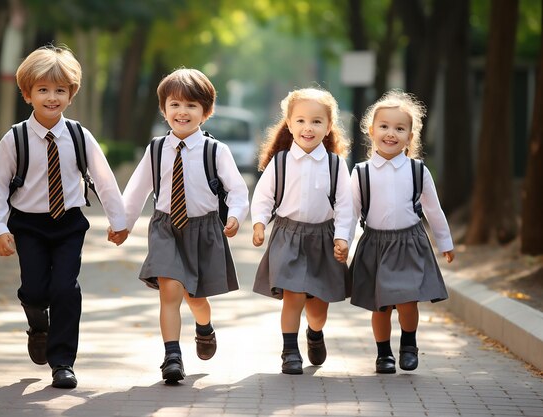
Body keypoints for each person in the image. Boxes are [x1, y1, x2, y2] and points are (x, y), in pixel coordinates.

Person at [0, 45, 129, 389]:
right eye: (43, 90)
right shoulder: (15, 138)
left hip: (68, 224)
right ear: (28, 94)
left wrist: (119, 221)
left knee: (65, 288)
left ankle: (62, 362)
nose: (52, 97)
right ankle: (37, 322)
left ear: (71, 94)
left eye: (60, 90)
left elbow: (105, 181)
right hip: (28, 224)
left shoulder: (80, 135)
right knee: (35, 290)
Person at [108, 68, 249, 384]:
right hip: (166, 228)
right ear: (164, 109)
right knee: (170, 290)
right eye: (175, 105)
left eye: (191, 106)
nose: (182, 112)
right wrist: (122, 224)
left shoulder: (216, 151)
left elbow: (238, 190)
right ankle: (172, 356)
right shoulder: (157, 149)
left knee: (195, 297)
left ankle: (204, 327)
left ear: (205, 112)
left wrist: (236, 216)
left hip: (204, 230)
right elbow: (137, 189)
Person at [349, 89, 455, 374]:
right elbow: (350, 212)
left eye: (399, 128)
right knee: (380, 306)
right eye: (384, 126)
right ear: (371, 131)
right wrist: (342, 242)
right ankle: (383, 354)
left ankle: (408, 344)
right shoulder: (361, 172)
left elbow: (434, 210)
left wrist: (445, 241)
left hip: (409, 242)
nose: (391, 133)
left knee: (407, 300)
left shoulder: (418, 171)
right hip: (375, 245)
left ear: (410, 135)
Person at [251, 88, 353, 375]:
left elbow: (346, 206)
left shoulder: (335, 165)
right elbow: (263, 197)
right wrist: (259, 223)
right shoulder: (280, 161)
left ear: (329, 126)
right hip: (288, 236)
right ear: (289, 122)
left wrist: (343, 237)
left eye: (317, 121)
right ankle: (289, 351)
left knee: (318, 307)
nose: (308, 127)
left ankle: (315, 332)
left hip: (324, 238)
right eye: (301, 120)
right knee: (293, 295)